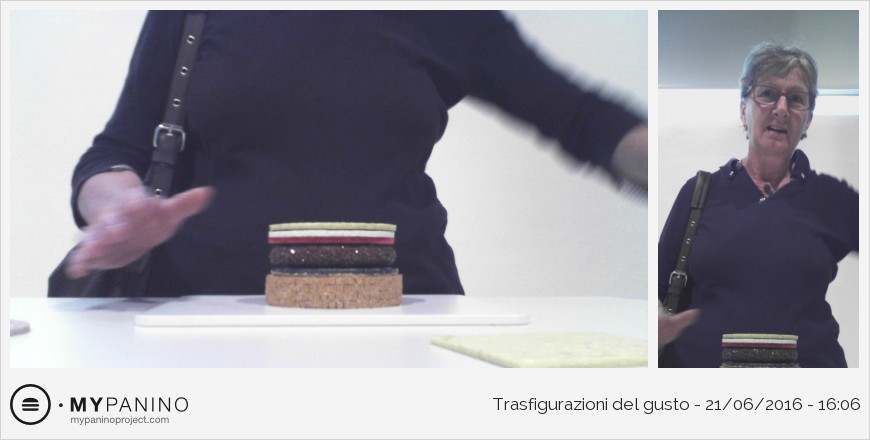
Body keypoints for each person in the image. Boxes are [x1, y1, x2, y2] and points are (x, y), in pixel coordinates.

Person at [61, 11, 647, 297]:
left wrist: (673, 160)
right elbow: (116, 151)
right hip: (204, 318)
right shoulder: (197, 8)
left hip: (403, 317)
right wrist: (118, 210)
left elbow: (582, 119)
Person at [657, 43, 858, 367]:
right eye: (767, 94)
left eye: (797, 99)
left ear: (808, 119)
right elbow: (658, 287)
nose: (782, 108)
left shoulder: (830, 199)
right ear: (743, 109)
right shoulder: (699, 193)